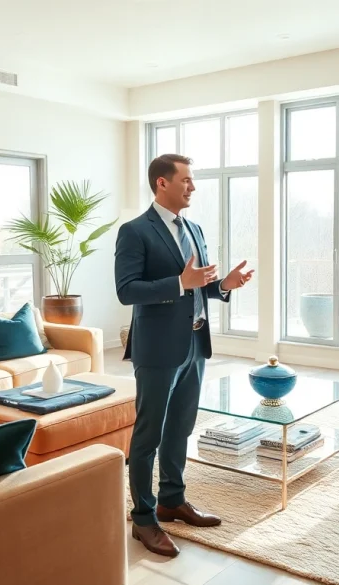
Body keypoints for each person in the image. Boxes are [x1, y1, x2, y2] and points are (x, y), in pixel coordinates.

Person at [115, 153, 255, 557]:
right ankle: (143, 518)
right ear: (162, 183)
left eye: (192, 181)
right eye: (186, 181)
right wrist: (179, 281)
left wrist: (223, 284)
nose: (192, 187)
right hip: (157, 349)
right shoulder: (135, 231)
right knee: (148, 435)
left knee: (181, 428)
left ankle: (171, 500)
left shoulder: (193, 227)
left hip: (194, 343)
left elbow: (200, 284)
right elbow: (127, 290)